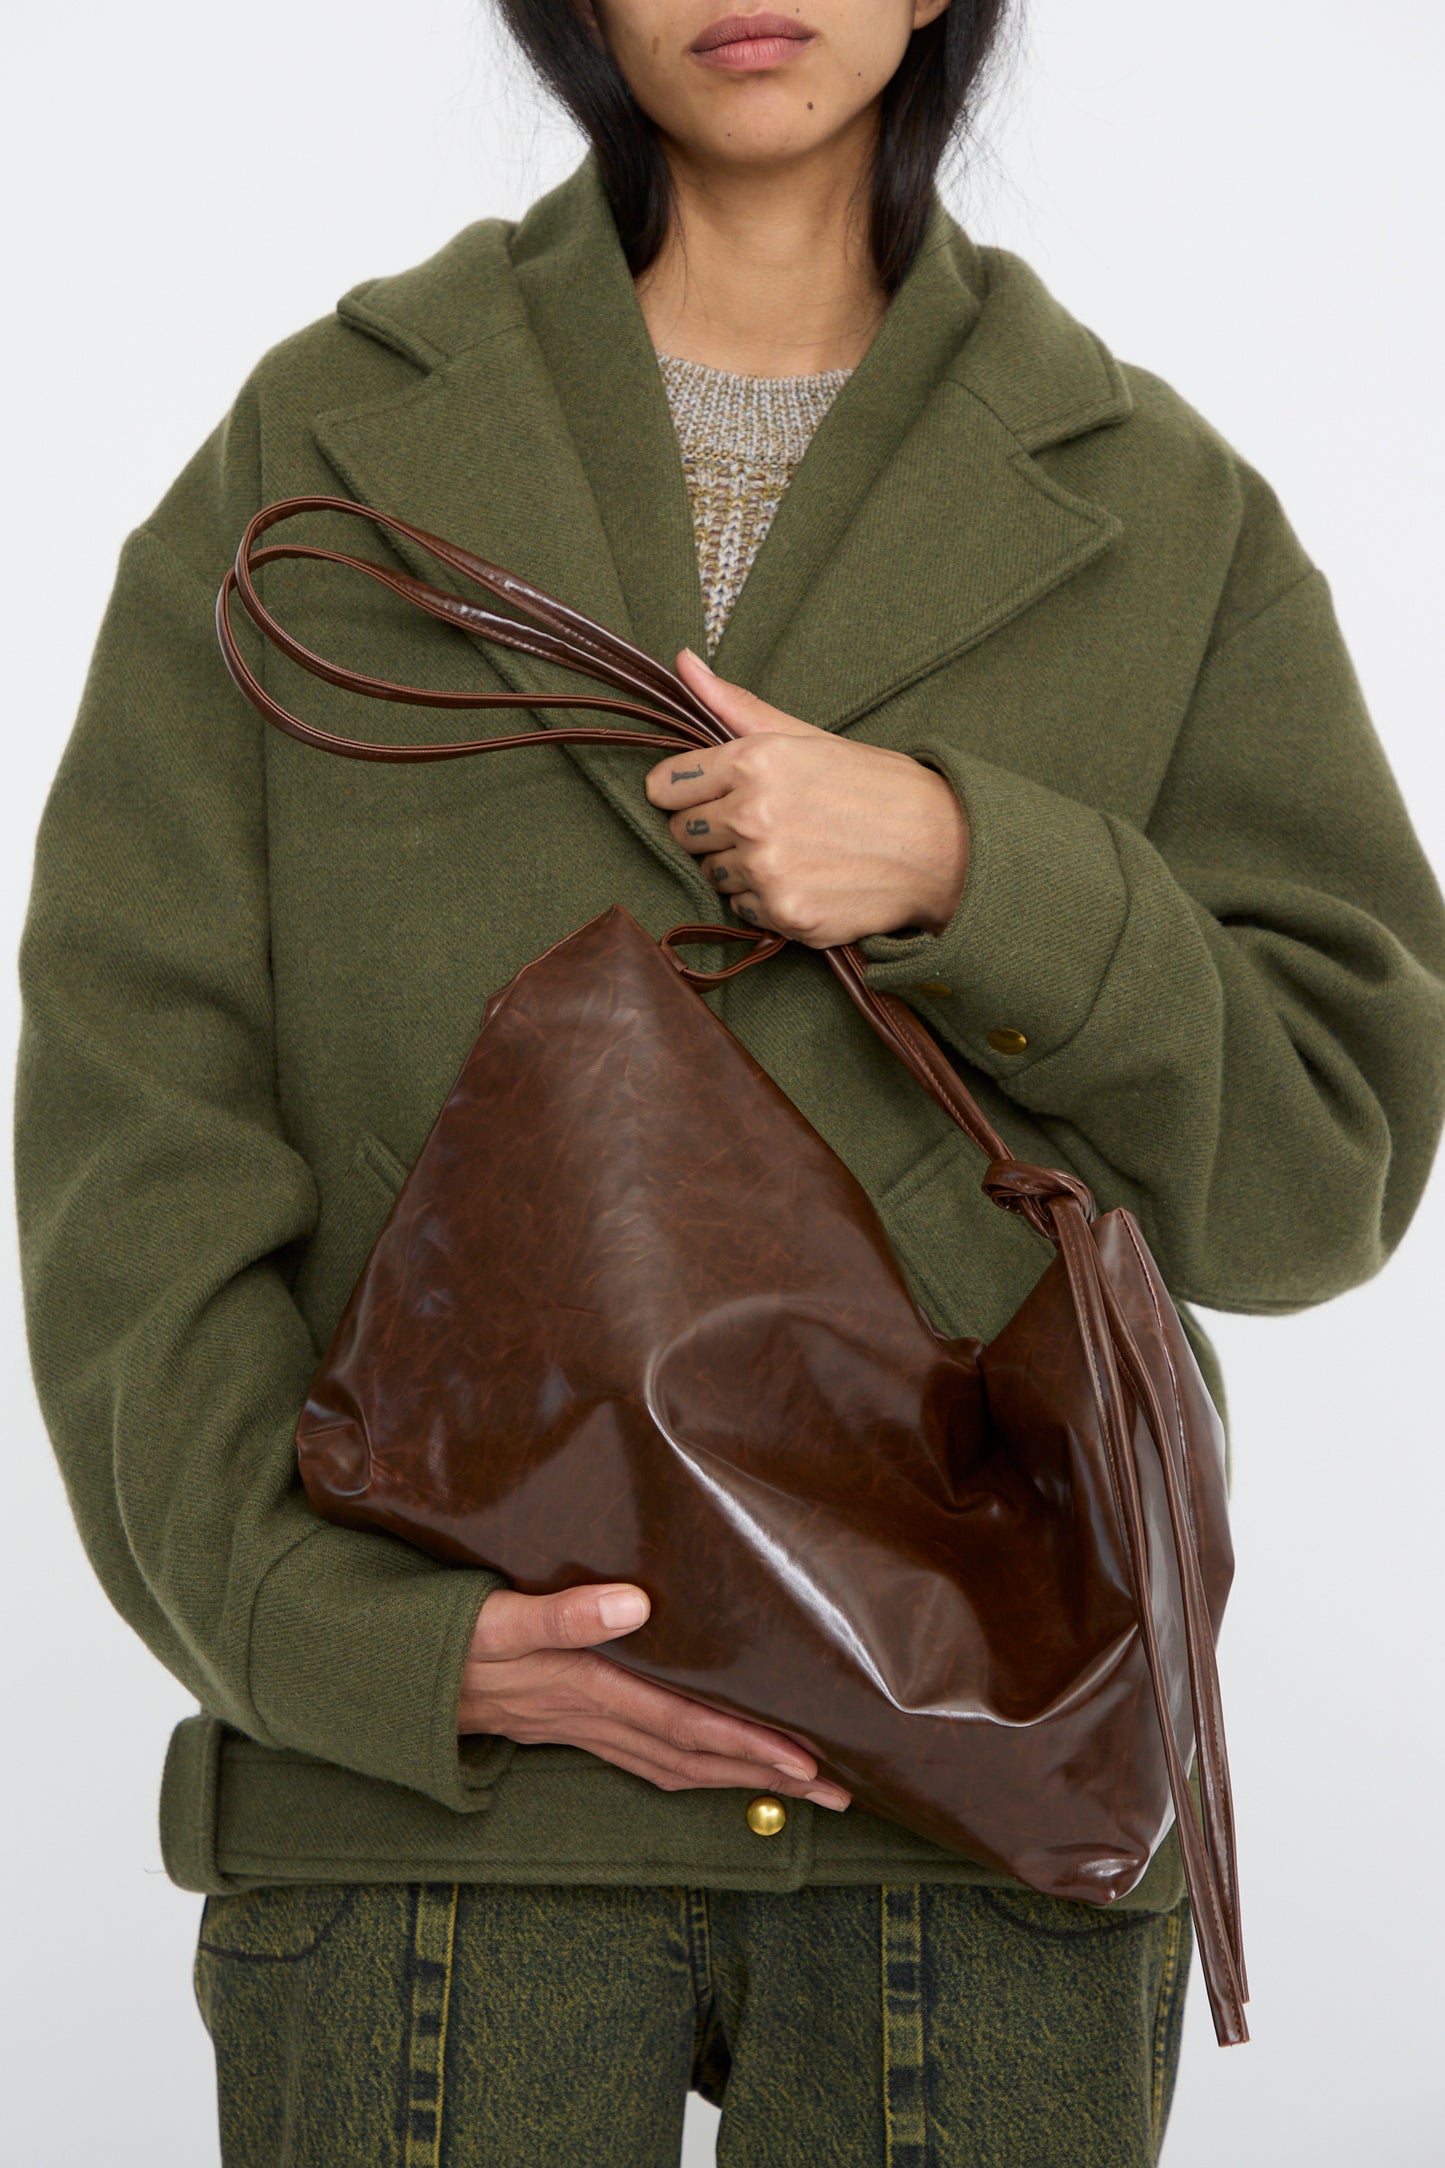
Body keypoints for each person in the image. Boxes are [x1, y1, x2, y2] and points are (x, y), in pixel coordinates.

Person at [16, 2, 1445, 2162]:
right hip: (442, 1843)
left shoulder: (1159, 513)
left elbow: (1329, 1163)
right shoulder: (317, 459)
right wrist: (352, 1642)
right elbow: (135, 1133)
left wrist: (980, 868)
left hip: (980, 1832)